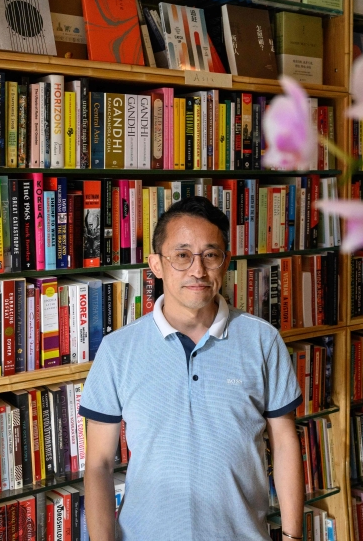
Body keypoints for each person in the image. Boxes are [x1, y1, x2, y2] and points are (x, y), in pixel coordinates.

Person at [80, 196, 305, 540]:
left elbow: (285, 443)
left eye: (210, 256)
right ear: (156, 264)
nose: (197, 271)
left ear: (225, 262)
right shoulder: (117, 350)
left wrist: (292, 536)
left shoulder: (263, 340)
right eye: (182, 256)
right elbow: (98, 465)